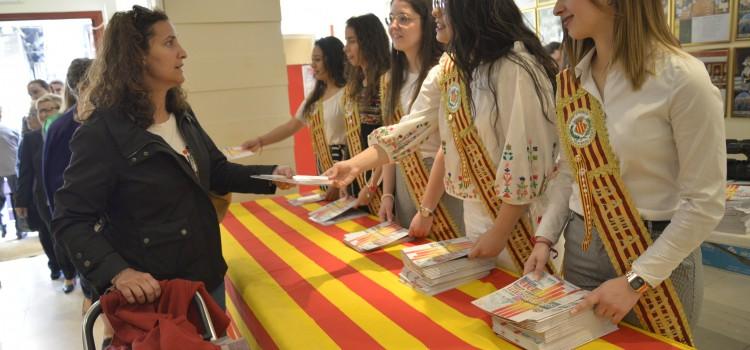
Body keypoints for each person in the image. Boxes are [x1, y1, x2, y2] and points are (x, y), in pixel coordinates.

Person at [53, 6, 294, 310]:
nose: (183, 53)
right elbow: (70, 219)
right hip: (159, 297)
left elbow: (216, 170)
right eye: (169, 43)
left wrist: (272, 174)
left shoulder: (181, 115)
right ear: (136, 55)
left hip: (207, 279)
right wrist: (118, 272)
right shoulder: (103, 133)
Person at [523, 0, 725, 346]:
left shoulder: (682, 77)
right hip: (581, 248)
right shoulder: (571, 83)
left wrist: (637, 279)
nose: (557, 9)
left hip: (658, 256)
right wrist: (544, 238)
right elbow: (571, 173)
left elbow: (704, 203)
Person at [326, 0, 558, 273]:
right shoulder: (448, 70)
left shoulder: (515, 67)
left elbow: (525, 157)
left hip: (520, 221)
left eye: (443, 5)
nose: (435, 12)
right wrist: (355, 165)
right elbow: (410, 128)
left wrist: (499, 231)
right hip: (474, 215)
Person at [378, 0, 464, 240]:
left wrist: (427, 208)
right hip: (405, 182)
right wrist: (387, 195)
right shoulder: (390, 80)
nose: (394, 26)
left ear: (425, 23)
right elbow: (392, 138)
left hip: (439, 184)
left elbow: (448, 145)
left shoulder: (444, 71)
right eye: (391, 18)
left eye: (404, 19)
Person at [242, 37, 347, 201]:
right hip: (324, 165)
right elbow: (291, 126)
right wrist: (260, 141)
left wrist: (338, 182)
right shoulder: (315, 97)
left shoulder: (347, 93)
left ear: (332, 59)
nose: (313, 65)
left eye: (318, 60)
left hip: (345, 163)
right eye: (312, 60)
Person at [17, 94, 77, 292]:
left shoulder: (70, 131)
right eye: (42, 110)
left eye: (52, 108)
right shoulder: (31, 139)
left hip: (72, 192)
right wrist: (21, 201)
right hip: (44, 198)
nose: (47, 113)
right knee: (56, 235)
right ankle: (68, 275)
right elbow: (25, 173)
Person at [342, 13, 390, 214]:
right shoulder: (355, 85)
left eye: (352, 41)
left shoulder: (385, 81)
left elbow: (388, 140)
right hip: (359, 177)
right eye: (346, 41)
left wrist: (371, 185)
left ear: (368, 41)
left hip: (380, 181)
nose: (346, 48)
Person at [0, 106, 20, 238]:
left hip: (13, 168)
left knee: (15, 199)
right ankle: (20, 228)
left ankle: (5, 226)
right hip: (13, 168)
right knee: (16, 198)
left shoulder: (9, 130)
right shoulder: (11, 130)